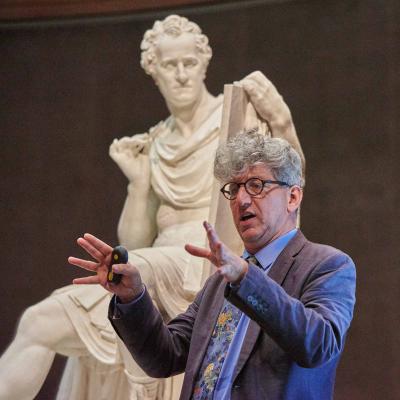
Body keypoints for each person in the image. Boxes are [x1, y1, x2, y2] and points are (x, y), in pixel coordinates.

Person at [0, 15, 304, 400]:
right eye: (169, 65)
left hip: (203, 261)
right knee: (39, 323)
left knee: (41, 321)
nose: (180, 75)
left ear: (203, 64)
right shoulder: (155, 141)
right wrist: (139, 182)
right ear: (153, 71)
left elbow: (290, 183)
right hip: (156, 264)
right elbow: (136, 239)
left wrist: (280, 119)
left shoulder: (233, 121)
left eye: (189, 63)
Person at [69, 132, 356, 400]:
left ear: (292, 197)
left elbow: (319, 344)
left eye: (256, 185)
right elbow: (165, 357)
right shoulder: (221, 282)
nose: (242, 200)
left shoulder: (327, 265)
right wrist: (133, 297)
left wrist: (247, 277)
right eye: (233, 189)